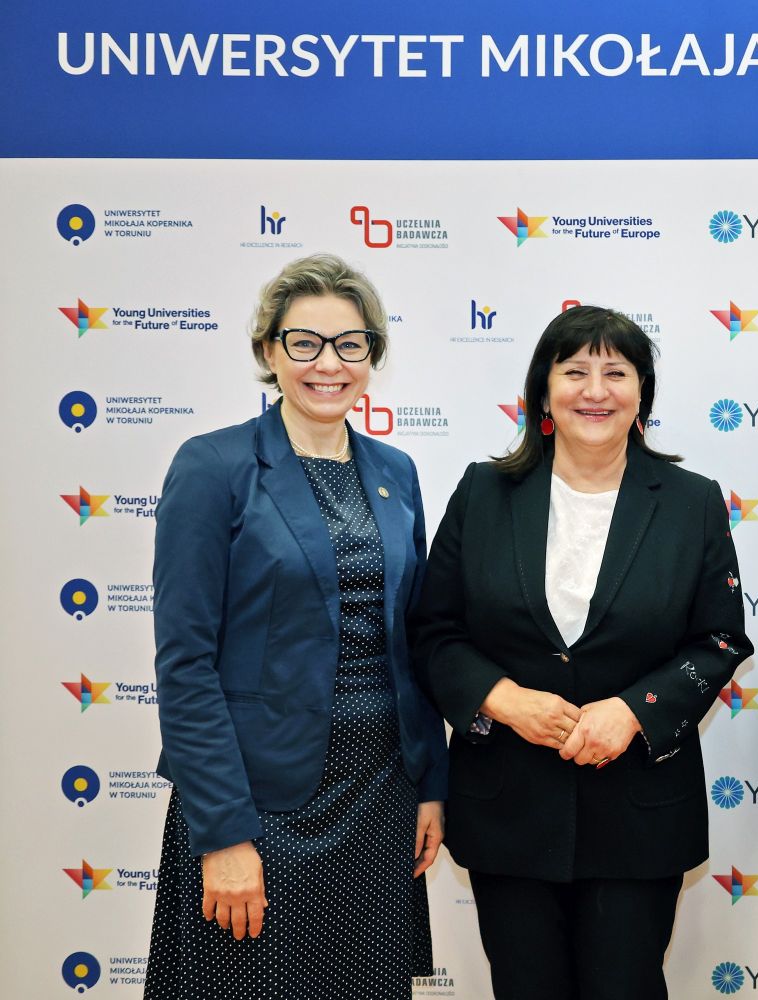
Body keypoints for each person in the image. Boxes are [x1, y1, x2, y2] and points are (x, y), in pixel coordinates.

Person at [413, 305, 752, 1000]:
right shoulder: (484, 492)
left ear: (641, 394)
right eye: (574, 372)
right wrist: (503, 700)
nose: (595, 391)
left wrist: (633, 711)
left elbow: (720, 641)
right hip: (508, 811)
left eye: (616, 373)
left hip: (639, 813)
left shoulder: (690, 502)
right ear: (543, 392)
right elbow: (434, 628)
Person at [145, 254, 448, 999]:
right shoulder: (213, 466)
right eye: (304, 342)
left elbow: (412, 642)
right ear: (268, 350)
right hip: (257, 807)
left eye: (350, 344)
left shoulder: (397, 471)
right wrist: (223, 833)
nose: (329, 364)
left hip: (379, 797)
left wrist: (431, 784)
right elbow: (185, 664)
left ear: (372, 355)